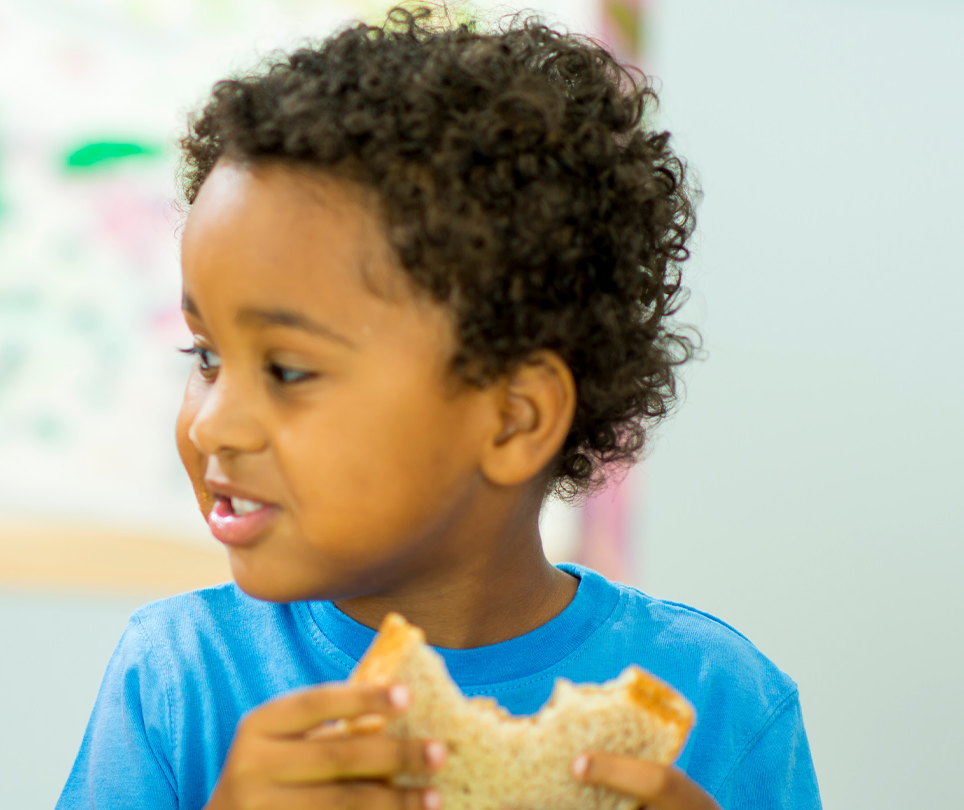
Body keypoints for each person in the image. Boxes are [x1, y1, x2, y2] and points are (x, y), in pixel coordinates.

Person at [59, 9, 817, 810]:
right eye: (207, 356)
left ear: (513, 418)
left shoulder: (721, 701)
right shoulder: (178, 676)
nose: (212, 423)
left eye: (285, 368)